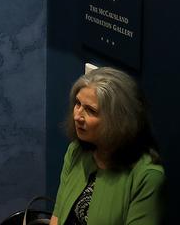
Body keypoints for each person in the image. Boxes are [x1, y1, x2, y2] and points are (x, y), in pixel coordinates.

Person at [50, 68, 165, 225]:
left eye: (90, 110)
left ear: (118, 120)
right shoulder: (76, 151)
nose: (77, 116)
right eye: (78, 103)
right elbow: (57, 216)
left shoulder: (146, 176)